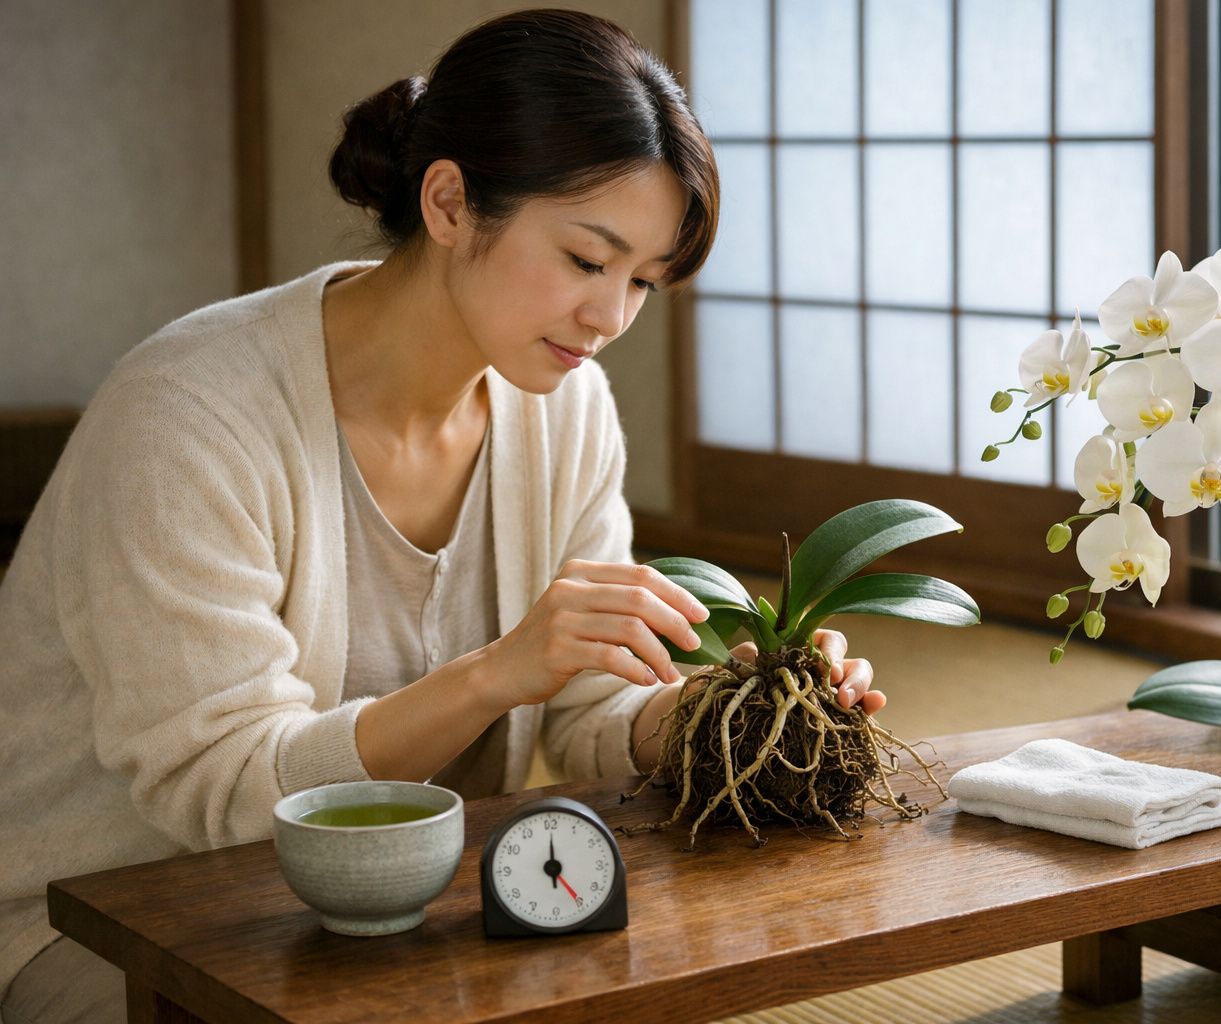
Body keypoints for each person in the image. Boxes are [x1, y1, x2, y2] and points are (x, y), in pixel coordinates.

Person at [0, 10, 884, 1022]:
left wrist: (733, 711)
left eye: (643, 282)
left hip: (403, 916)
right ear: (451, 202)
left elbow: (586, 713)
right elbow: (231, 798)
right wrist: (495, 672)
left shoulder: (566, 408)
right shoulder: (189, 414)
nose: (611, 319)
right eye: (588, 260)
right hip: (120, 921)